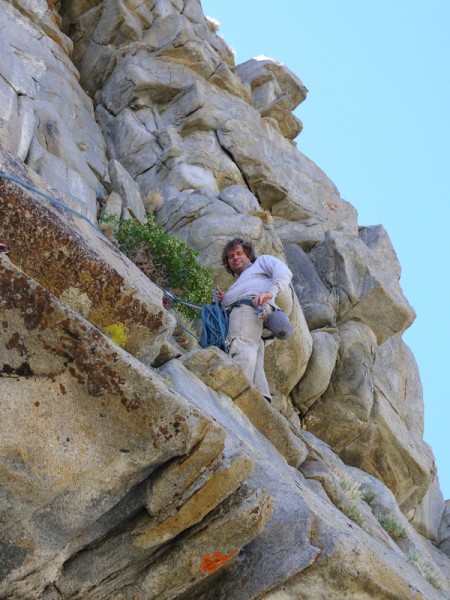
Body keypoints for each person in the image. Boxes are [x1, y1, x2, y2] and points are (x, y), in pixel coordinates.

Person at [216, 238, 293, 402]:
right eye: (231, 257)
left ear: (248, 254)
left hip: (249, 310)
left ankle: (233, 391)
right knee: (255, 353)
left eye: (239, 253)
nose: (235, 258)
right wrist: (225, 300)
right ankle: (261, 398)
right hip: (256, 317)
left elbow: (284, 272)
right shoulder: (241, 281)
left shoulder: (261, 262)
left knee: (242, 345)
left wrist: (270, 292)